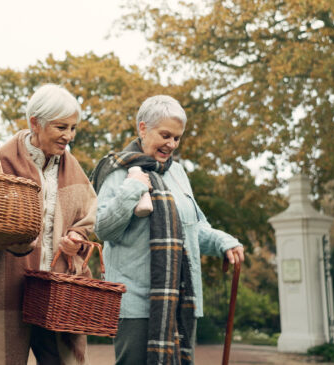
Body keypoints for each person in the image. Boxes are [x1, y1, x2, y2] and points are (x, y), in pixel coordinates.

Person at [93, 95, 245, 365]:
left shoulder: (178, 173)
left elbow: (193, 228)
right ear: (143, 128)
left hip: (180, 300)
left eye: (177, 138)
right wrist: (134, 187)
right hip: (137, 303)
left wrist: (225, 242)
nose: (171, 144)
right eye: (165, 135)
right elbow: (103, 229)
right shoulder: (119, 171)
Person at [0, 84, 97, 365]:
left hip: (56, 291)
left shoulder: (71, 165)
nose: (69, 136)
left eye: (73, 128)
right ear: (35, 124)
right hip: (5, 287)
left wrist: (76, 236)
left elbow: (88, 212)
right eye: (61, 127)